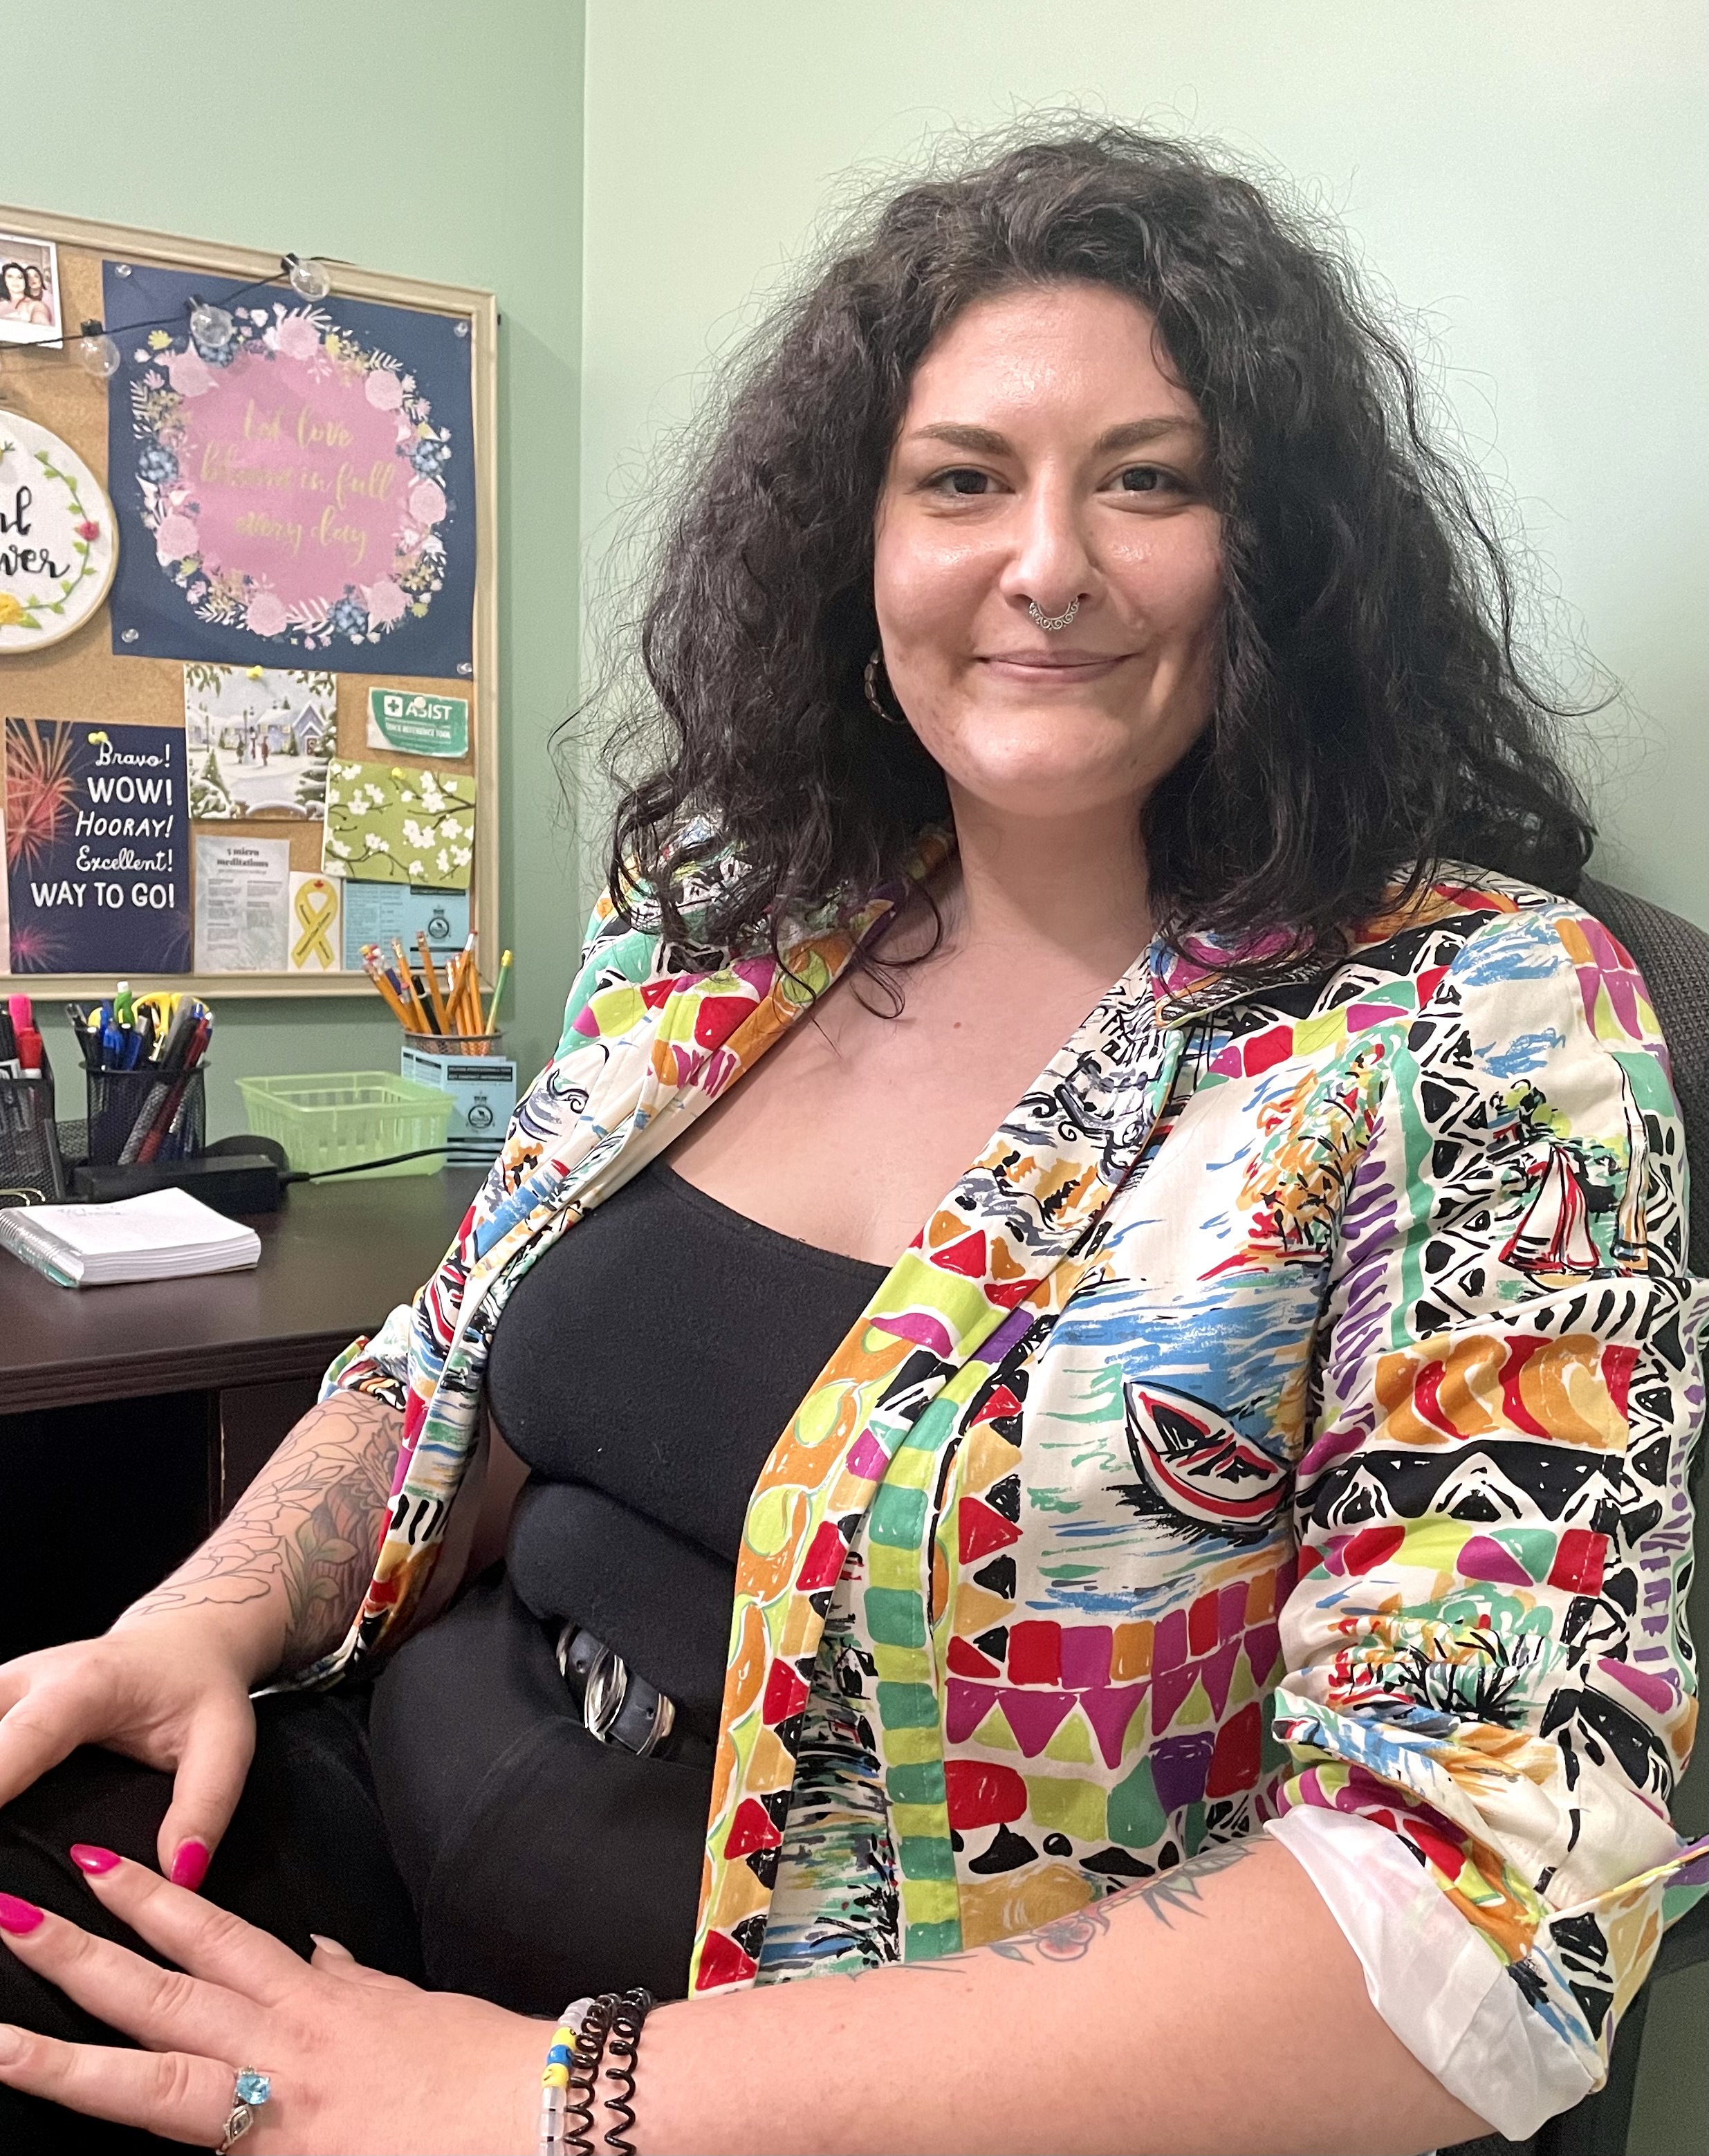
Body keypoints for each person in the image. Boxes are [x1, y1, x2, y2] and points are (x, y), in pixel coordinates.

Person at [0, 127, 1703, 2156]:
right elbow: (440, 1362)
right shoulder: (733, 928)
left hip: (776, 2080)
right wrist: (193, 1620)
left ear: (1283, 553)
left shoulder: (1477, 1017)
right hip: (417, 1849)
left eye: (1150, 479)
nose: (1047, 562)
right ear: (855, 543)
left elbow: (1479, 1913)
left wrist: (547, 2102)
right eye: (963, 478)